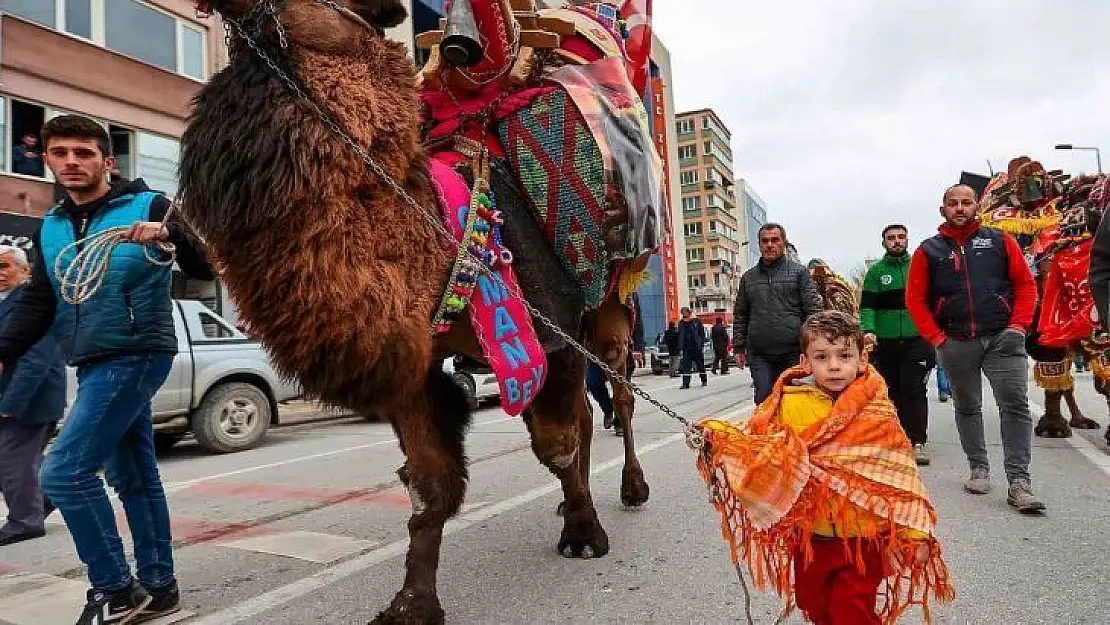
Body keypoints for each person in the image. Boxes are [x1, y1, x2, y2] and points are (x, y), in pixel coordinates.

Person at [0, 115, 214, 623]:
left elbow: (206, 268)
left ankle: (116, 590)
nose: (72, 162)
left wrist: (170, 235)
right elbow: (40, 300)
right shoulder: (50, 226)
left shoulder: (151, 205)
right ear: (48, 160)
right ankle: (159, 588)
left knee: (65, 471)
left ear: (106, 161)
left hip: (139, 352)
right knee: (133, 476)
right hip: (92, 358)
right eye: (61, 153)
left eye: (84, 153)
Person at [695, 311, 952, 624]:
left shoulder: (877, 410)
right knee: (814, 605)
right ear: (805, 363)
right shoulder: (788, 403)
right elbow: (758, 443)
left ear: (861, 359)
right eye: (822, 357)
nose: (834, 365)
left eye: (844, 355)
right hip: (812, 536)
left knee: (851, 609)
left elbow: (901, 479)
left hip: (864, 538)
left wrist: (916, 535)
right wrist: (716, 435)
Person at [905, 183, 1044, 513]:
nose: (959, 208)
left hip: (1002, 339)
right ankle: (978, 468)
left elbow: (1026, 285)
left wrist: (1017, 327)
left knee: (1015, 406)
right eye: (952, 203)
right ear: (943, 210)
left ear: (976, 206)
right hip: (956, 342)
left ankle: (1019, 482)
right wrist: (938, 340)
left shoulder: (1000, 241)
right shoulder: (929, 250)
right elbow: (915, 299)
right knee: (967, 406)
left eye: (966, 202)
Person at [0, 245, 66, 546]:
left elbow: (35, 359)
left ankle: (25, 520)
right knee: (19, 461)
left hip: (29, 400)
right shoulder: (10, 301)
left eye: (5, 267)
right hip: (17, 397)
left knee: (16, 461)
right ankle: (45, 499)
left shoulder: (33, 301)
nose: (0, 275)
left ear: (26, 270)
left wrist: (11, 405)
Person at [860, 224, 934, 465]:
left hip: (917, 341)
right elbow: (868, 307)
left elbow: (934, 301)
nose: (896, 241)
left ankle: (917, 441)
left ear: (907, 240)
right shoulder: (876, 273)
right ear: (884, 243)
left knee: (914, 389)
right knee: (891, 392)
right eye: (891, 238)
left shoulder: (920, 266)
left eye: (901, 237)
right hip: (885, 343)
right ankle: (896, 439)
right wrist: (868, 331)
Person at [732, 223, 823, 403]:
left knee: (794, 400)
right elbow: (741, 313)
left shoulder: (799, 273)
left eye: (775, 240)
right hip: (759, 353)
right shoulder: (748, 278)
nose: (770, 245)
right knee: (764, 399)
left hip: (793, 351)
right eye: (765, 241)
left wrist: (815, 345)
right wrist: (738, 347)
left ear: (783, 243)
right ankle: (766, 432)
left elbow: (813, 311)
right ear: (759, 245)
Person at [677, 307, 707, 388]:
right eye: (682, 312)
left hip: (696, 347)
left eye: (685, 312)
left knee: (700, 365)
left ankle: (704, 380)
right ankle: (685, 383)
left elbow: (701, 334)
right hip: (686, 348)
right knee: (686, 366)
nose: (683, 314)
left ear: (689, 312)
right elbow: (679, 335)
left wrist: (701, 344)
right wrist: (680, 346)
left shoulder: (696, 321)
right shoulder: (681, 323)